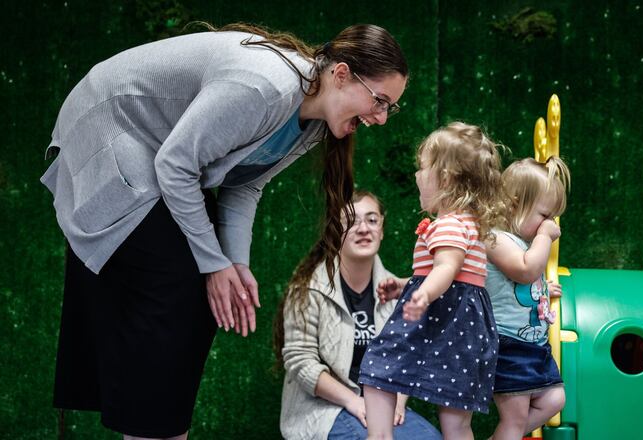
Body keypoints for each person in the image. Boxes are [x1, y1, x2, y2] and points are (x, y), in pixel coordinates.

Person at [41, 23, 408, 439]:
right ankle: (152, 429)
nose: (379, 118)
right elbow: (175, 165)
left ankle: (158, 427)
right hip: (110, 130)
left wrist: (234, 263)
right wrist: (213, 265)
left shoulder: (311, 122)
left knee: (200, 297)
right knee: (180, 281)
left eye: (389, 109)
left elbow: (244, 182)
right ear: (340, 74)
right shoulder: (264, 87)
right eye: (379, 101)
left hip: (155, 156)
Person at [358, 122, 506, 440]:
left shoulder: (449, 224)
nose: (416, 176)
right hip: (467, 330)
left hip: (443, 323)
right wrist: (405, 285)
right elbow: (449, 273)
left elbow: (447, 268)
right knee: (456, 422)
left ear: (446, 178)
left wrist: (423, 295)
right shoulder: (470, 225)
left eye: (422, 168)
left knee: (378, 365)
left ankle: (379, 435)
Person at [276, 191, 441, 440]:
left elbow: (407, 355)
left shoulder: (396, 290)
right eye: (351, 221)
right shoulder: (308, 289)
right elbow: (301, 361)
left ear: (382, 230)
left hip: (384, 403)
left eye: (372, 220)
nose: (363, 228)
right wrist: (353, 401)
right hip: (325, 408)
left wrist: (398, 399)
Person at [485, 156, 570, 439]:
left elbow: (523, 281)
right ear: (512, 205)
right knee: (515, 417)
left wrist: (543, 288)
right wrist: (545, 236)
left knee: (554, 400)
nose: (550, 224)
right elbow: (524, 270)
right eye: (544, 216)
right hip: (508, 344)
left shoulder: (521, 244)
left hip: (533, 345)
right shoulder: (494, 238)